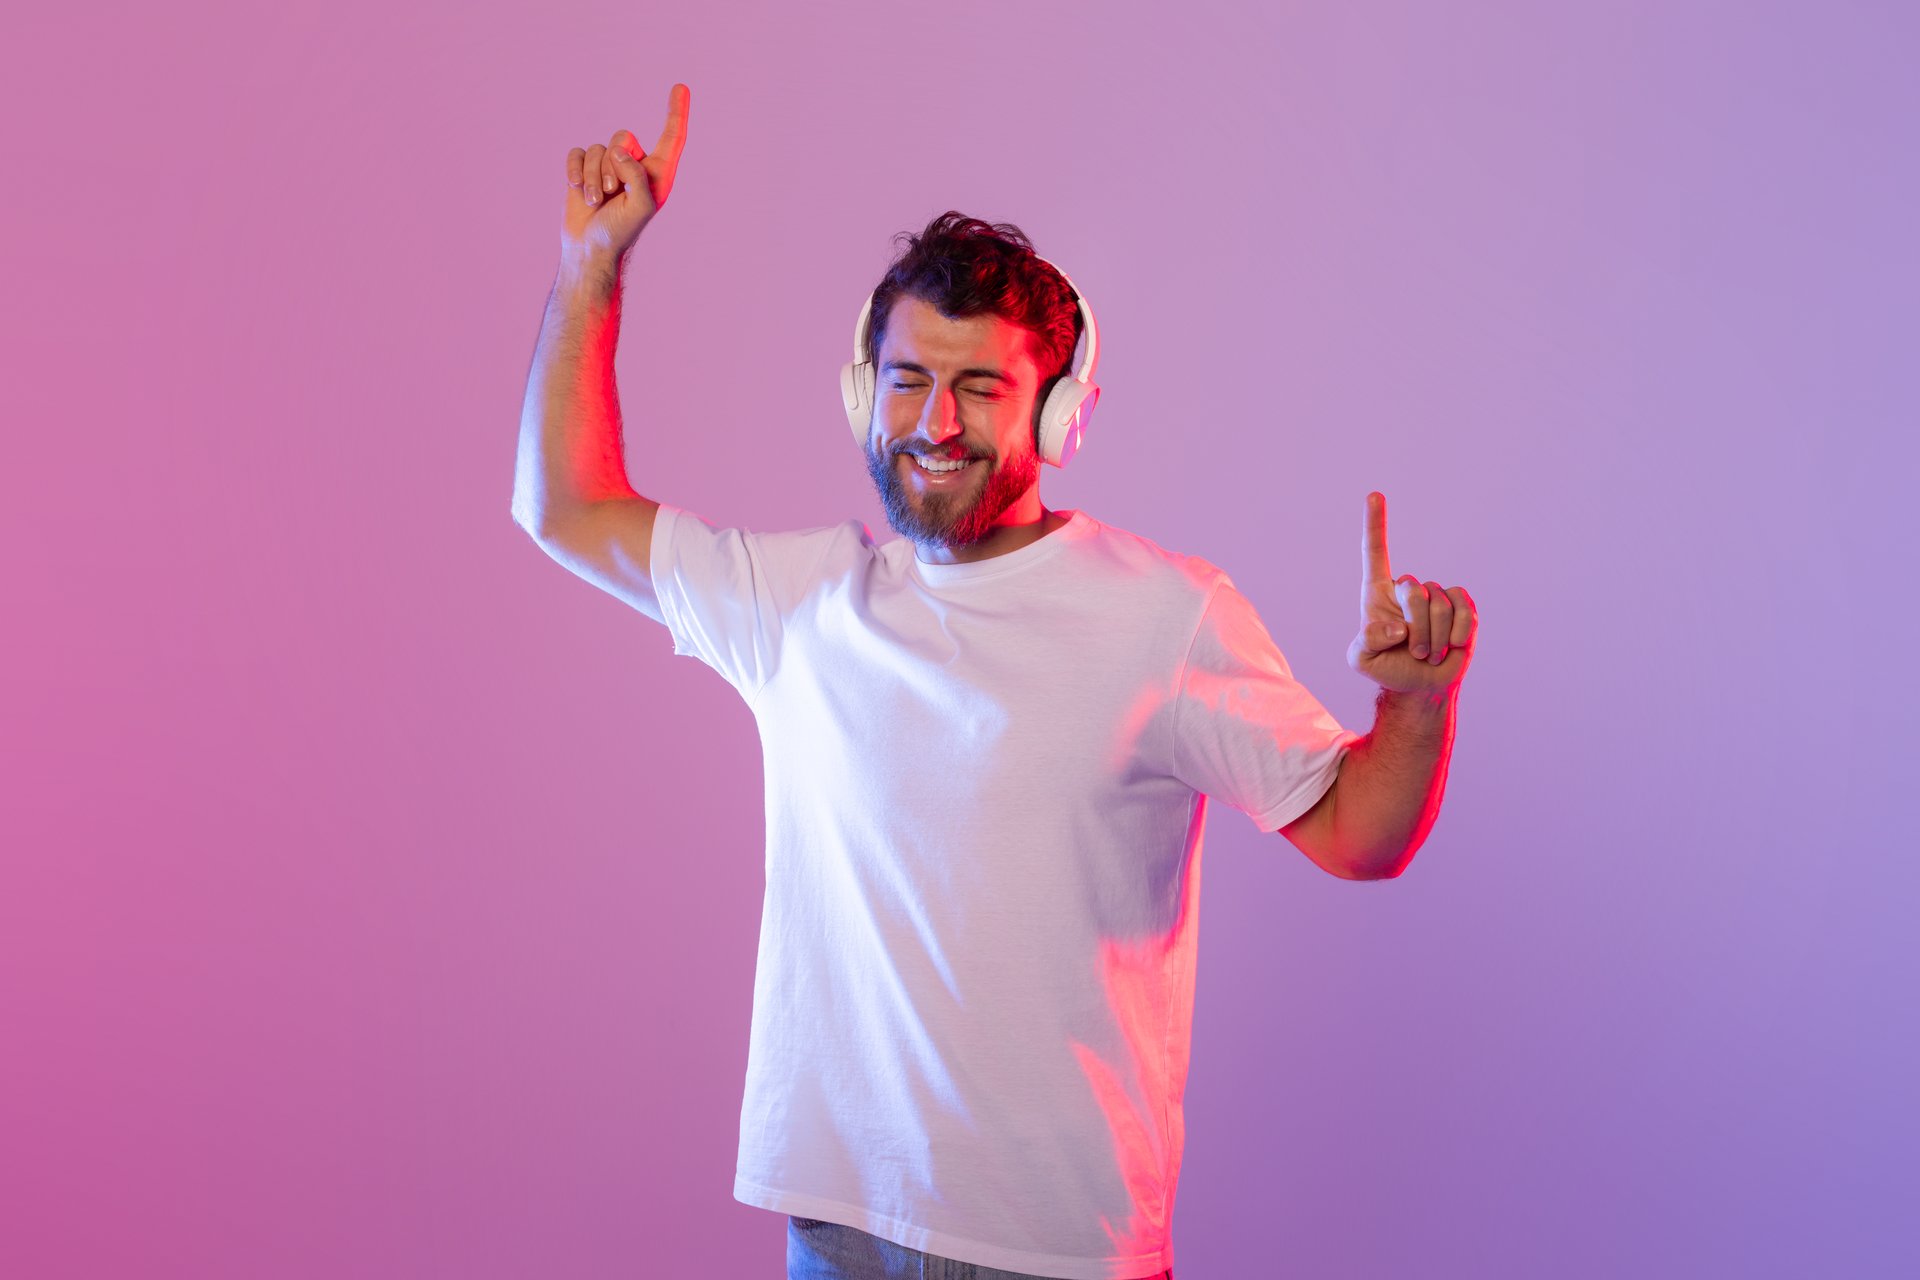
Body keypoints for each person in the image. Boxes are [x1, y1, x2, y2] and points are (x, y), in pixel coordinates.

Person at [512, 84, 1478, 1280]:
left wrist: (1418, 702)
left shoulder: (1163, 615)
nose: (936, 422)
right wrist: (589, 264)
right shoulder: (802, 604)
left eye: (983, 388)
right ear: (864, 392)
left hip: (1054, 1252)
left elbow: (1357, 835)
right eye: (911, 379)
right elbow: (563, 505)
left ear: (1059, 414)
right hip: (838, 1229)